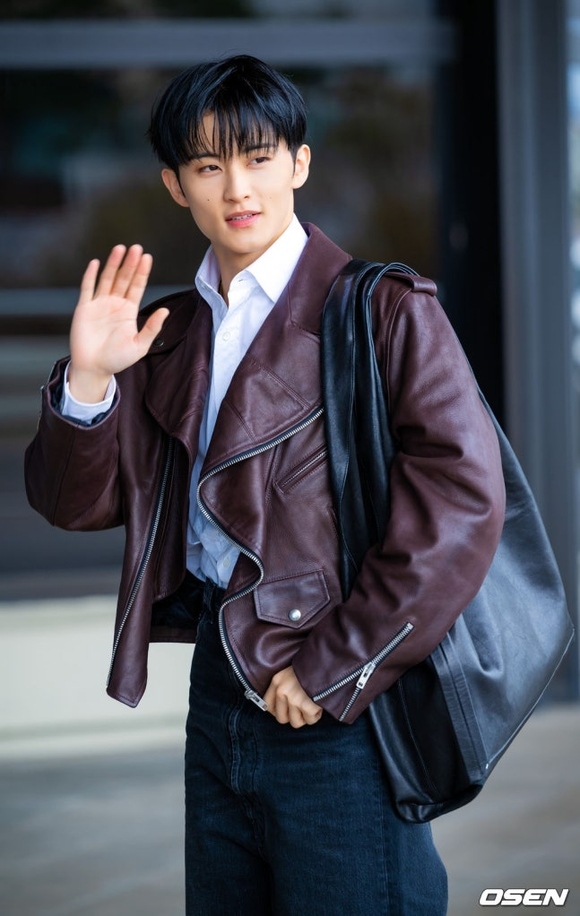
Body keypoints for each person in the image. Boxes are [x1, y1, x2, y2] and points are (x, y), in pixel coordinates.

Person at [25, 54, 505, 915]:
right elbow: (74, 503)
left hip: (337, 691)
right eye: (209, 165)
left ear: (299, 163)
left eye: (258, 157)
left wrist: (335, 666)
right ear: (176, 185)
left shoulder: (383, 310)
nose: (238, 187)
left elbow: (463, 506)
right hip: (218, 687)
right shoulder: (168, 335)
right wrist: (90, 381)